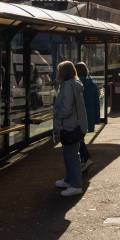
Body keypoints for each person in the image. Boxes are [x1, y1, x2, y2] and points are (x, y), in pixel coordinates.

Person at [53, 61, 88, 197]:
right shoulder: (74, 84)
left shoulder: (67, 86)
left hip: (69, 125)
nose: (57, 73)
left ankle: (76, 185)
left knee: (71, 155)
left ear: (63, 72)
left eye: (59, 71)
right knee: (69, 154)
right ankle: (69, 180)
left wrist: (57, 114)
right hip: (74, 125)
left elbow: (66, 108)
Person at [76, 62, 100, 172]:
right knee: (80, 138)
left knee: (78, 139)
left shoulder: (76, 83)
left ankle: (86, 159)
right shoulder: (92, 82)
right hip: (89, 115)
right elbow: (97, 101)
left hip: (79, 116)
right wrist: (97, 117)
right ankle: (84, 160)